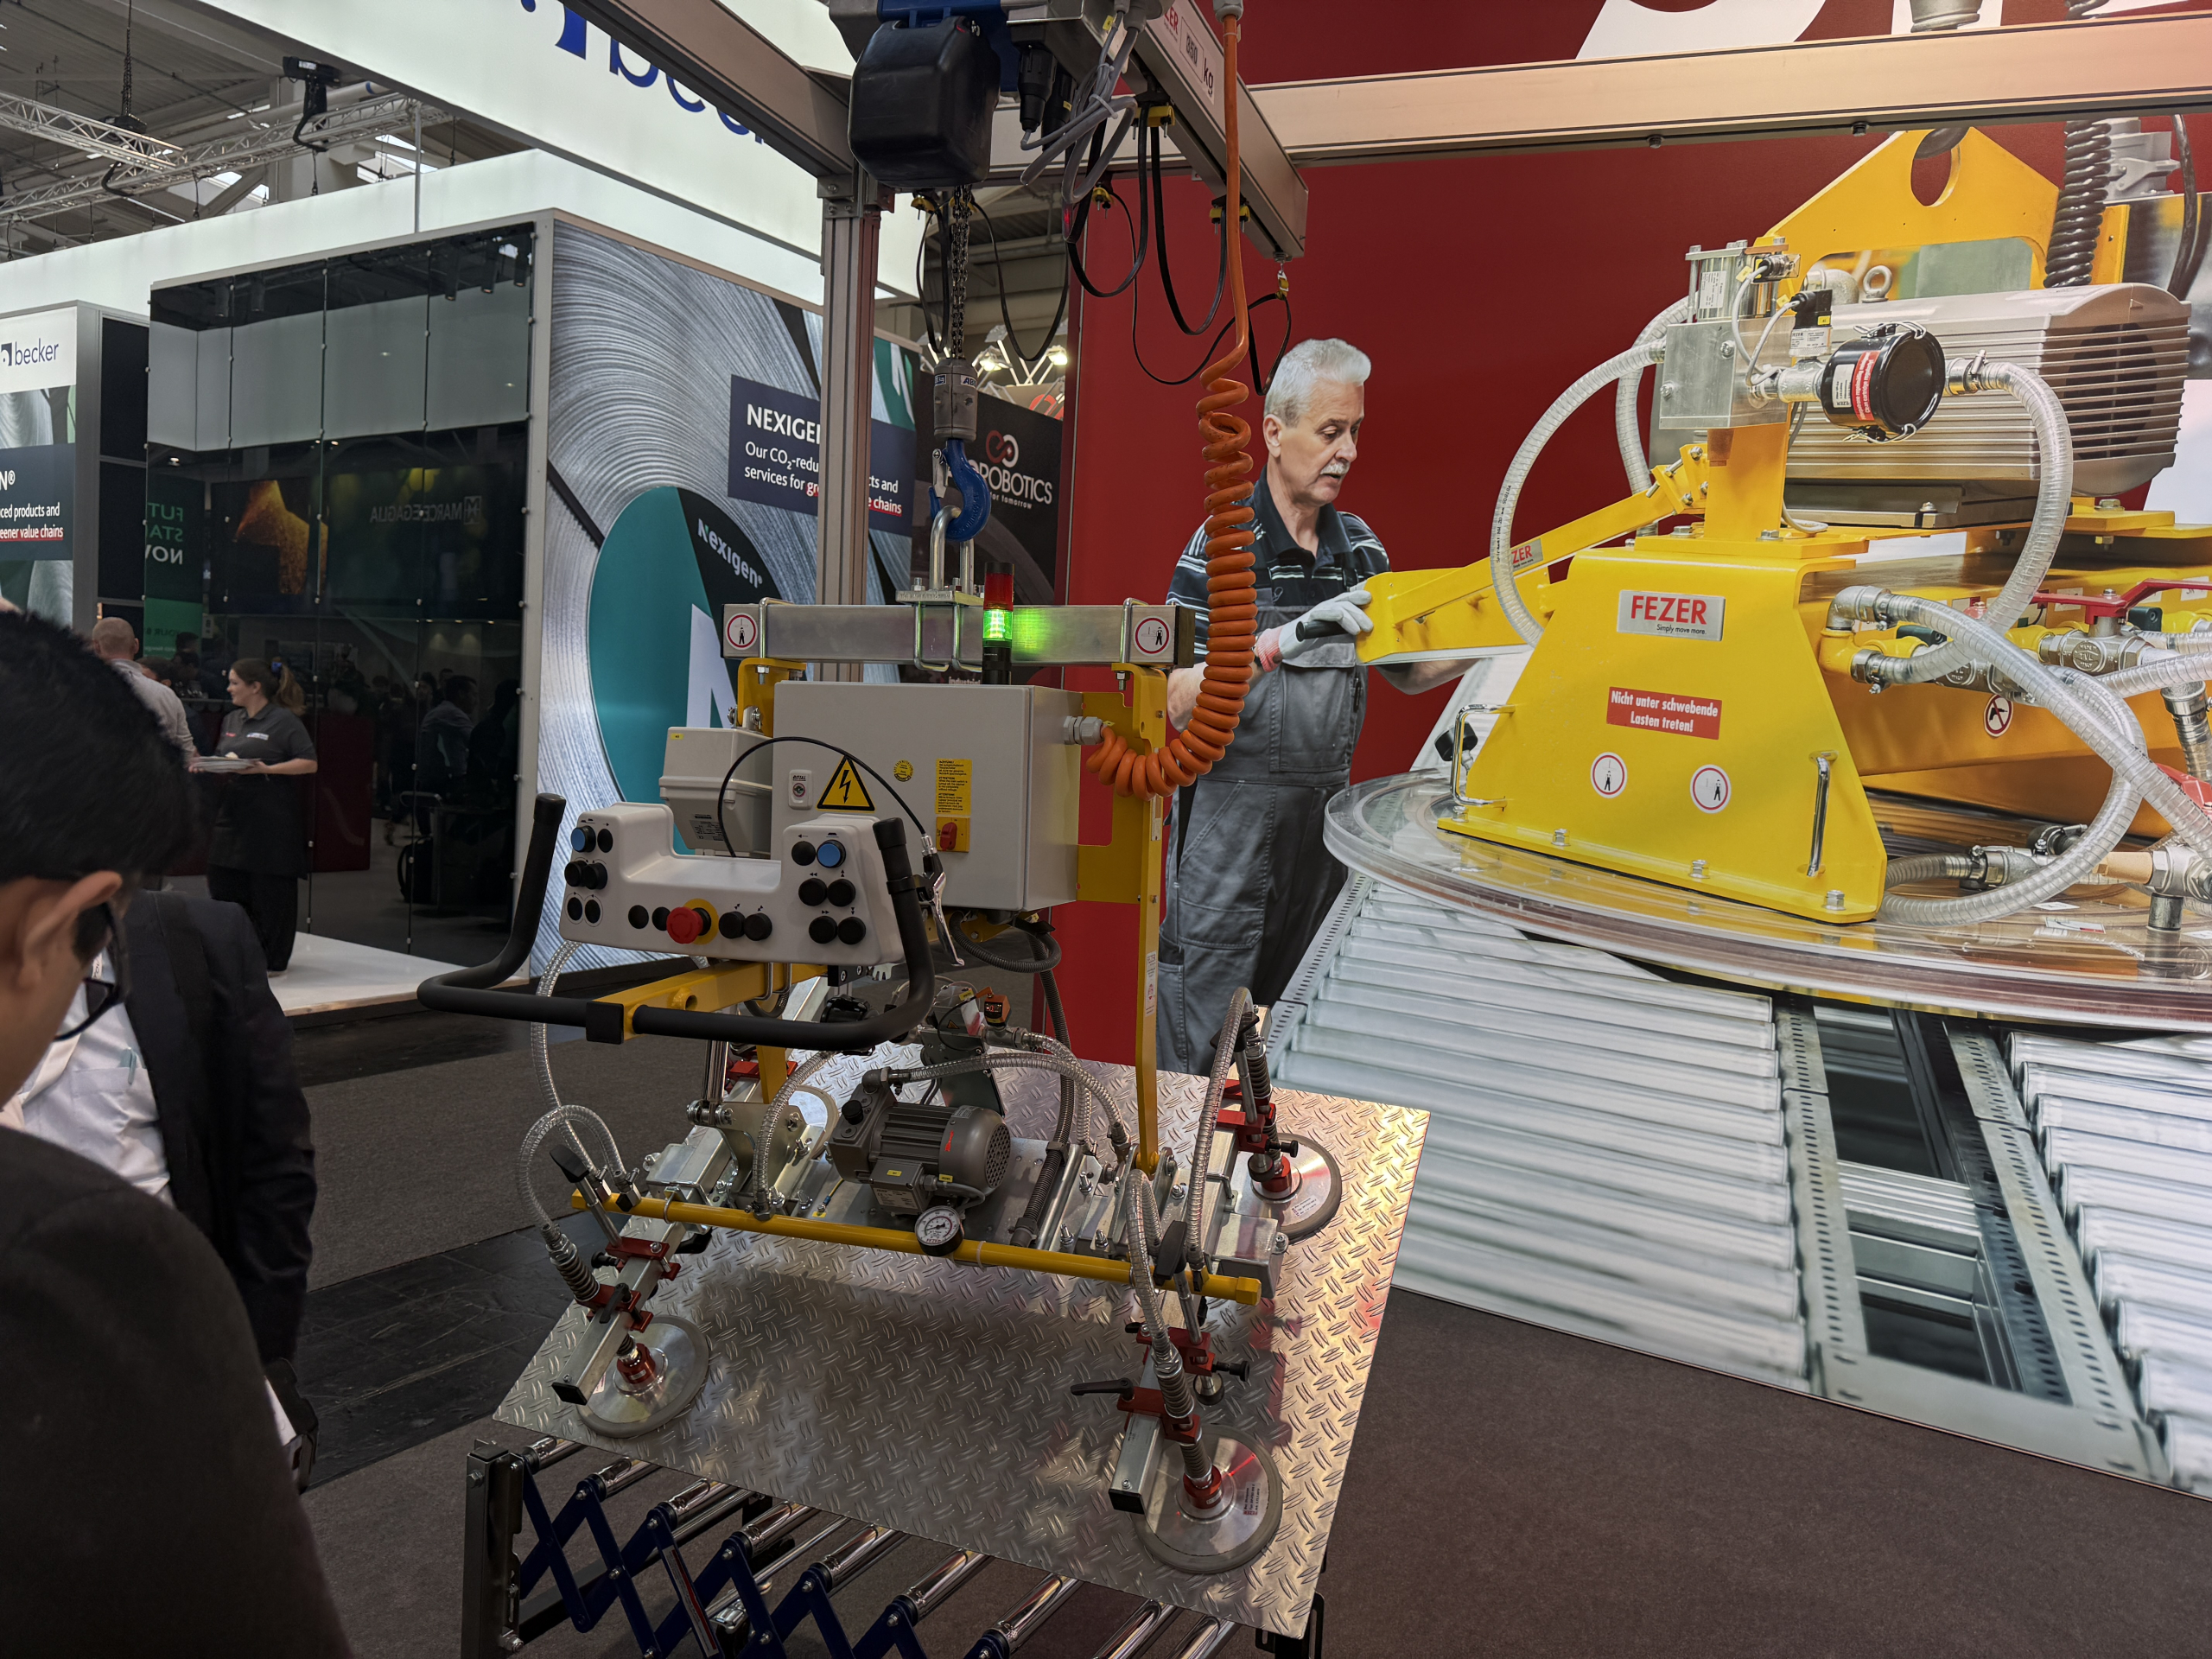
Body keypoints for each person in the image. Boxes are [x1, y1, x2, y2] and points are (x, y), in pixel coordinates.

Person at [0, 609, 350, 1651]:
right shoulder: (67, 1243)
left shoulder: (196, 953)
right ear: (48, 926)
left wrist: (262, 1365)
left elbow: (273, 1170)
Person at [1156, 339, 1471, 1075]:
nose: (1348, 451)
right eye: (1330, 432)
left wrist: (1510, 632)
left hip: (1320, 847)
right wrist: (1274, 643)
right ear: (1274, 431)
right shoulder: (1221, 548)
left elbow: (1411, 671)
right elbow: (1174, 701)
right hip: (1226, 849)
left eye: (1354, 431)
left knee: (1295, 1056)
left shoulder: (1359, 551)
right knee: (1200, 1059)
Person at [198, 658, 320, 974]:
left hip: (270, 810)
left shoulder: (283, 720)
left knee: (269, 886)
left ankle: (271, 957)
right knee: (224, 876)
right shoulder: (232, 719)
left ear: (255, 687)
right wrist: (208, 764)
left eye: (235, 683)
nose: (229, 688)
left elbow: (309, 763)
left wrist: (269, 769)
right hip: (234, 807)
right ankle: (234, 950)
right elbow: (224, 756)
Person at [89, 615, 195, 756]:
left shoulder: (81, 692)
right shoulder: (167, 695)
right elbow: (187, 753)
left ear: (96, 647)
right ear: (136, 645)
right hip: (157, 769)